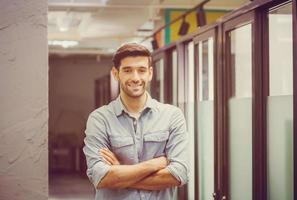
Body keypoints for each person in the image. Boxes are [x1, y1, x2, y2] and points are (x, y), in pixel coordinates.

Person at [83, 43, 189, 200]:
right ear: (115, 73)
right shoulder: (100, 119)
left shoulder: (172, 116)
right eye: (127, 70)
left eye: (141, 70)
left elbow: (179, 174)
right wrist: (154, 165)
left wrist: (120, 172)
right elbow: (100, 177)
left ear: (150, 73)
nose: (135, 78)